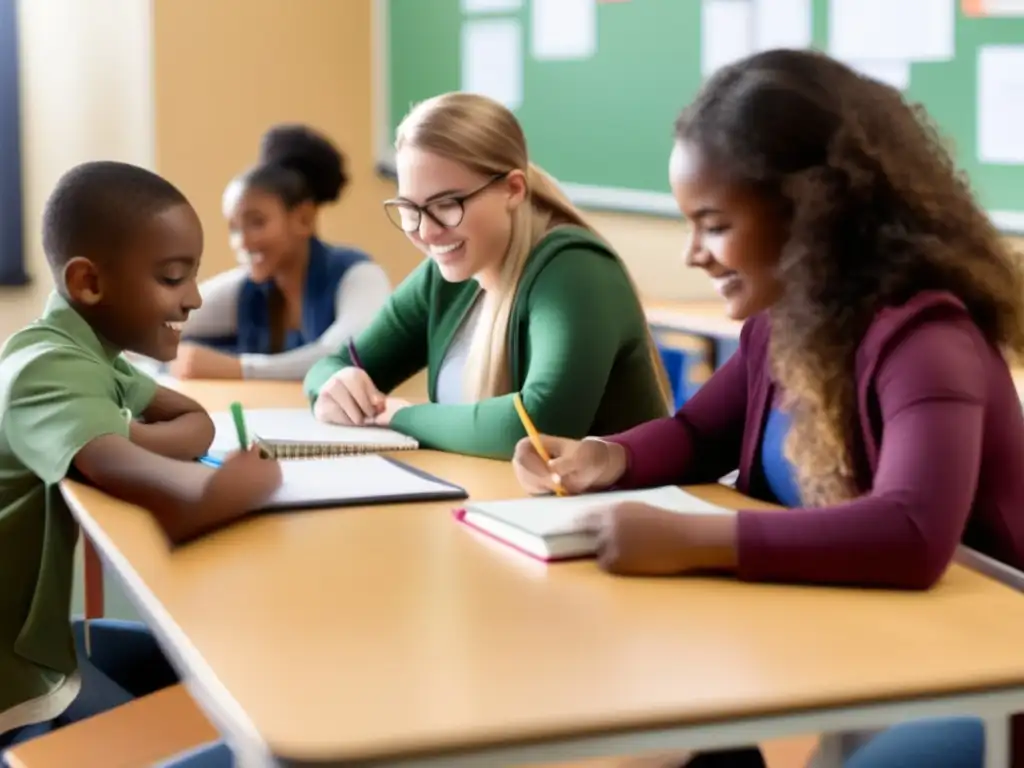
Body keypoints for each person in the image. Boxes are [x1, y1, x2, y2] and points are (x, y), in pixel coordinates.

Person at [512, 49, 1024, 768]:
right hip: (869, 641)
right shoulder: (781, 327)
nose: (694, 254)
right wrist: (608, 456)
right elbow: (697, 432)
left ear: (813, 215)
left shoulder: (925, 336)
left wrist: (691, 542)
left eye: (714, 225)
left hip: (989, 673)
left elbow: (912, 532)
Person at [0, 161, 282, 754]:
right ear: (89, 284)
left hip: (41, 642)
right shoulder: (47, 369)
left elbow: (197, 425)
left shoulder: (92, 356)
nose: (196, 298)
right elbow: (171, 496)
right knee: (232, 737)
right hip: (17, 676)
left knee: (215, 678)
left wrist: (119, 430)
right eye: (173, 277)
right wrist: (234, 486)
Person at [303, 92, 671, 460]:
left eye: (447, 204)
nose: (426, 233)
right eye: (409, 208)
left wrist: (400, 416)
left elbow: (536, 427)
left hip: (611, 512)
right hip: (499, 503)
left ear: (513, 189)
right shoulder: (444, 275)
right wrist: (334, 388)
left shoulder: (576, 270)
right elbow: (331, 366)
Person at [171, 124, 391, 381]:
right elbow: (152, 321)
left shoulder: (360, 276)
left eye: (257, 222)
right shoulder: (246, 289)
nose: (242, 241)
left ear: (304, 219)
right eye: (233, 228)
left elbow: (347, 355)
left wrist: (239, 368)